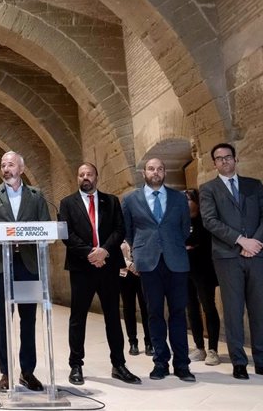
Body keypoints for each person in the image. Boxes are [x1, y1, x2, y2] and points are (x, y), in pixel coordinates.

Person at [199, 143, 263, 380]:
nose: (224, 161)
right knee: (233, 311)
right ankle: (239, 362)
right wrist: (241, 241)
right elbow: (210, 221)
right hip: (228, 257)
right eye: (219, 158)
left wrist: (255, 242)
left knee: (258, 309)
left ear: (235, 159)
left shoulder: (253, 185)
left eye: (228, 157)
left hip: (259, 255)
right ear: (213, 163)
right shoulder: (208, 189)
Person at [59, 162, 140, 385]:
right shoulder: (67, 203)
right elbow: (66, 234)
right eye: (81, 174)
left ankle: (119, 364)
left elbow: (120, 229)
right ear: (77, 178)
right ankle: (76, 365)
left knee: (113, 316)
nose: (85, 177)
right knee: (78, 318)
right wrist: (90, 253)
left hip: (108, 266)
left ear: (97, 177)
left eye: (89, 174)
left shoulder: (111, 201)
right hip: (81, 267)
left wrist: (104, 251)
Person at [0, 151, 51, 392]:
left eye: (10, 165)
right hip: (2, 265)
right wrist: (2, 231)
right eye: (2, 165)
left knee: (28, 319)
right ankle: (6, 372)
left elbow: (46, 226)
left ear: (21, 168)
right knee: (3, 320)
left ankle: (27, 372)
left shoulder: (36, 195)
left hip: (28, 264)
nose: (5, 169)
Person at [122, 158, 194, 382]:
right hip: (148, 263)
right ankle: (160, 363)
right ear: (144, 172)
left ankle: (182, 364)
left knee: (178, 313)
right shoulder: (130, 200)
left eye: (160, 169)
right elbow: (128, 231)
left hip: (176, 262)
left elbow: (184, 229)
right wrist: (142, 249)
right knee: (154, 313)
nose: (156, 172)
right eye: (151, 169)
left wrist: (169, 244)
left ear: (164, 173)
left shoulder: (178, 198)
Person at [183, 189, 220, 366]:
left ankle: (213, 349)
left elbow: (202, 242)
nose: (186, 203)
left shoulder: (205, 221)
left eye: (189, 199)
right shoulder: (180, 221)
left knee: (208, 307)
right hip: (185, 270)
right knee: (191, 309)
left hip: (203, 270)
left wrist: (190, 246)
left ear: (197, 201)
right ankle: (199, 347)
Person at [119, 241, 152, 357]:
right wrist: (131, 265)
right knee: (129, 309)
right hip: (125, 274)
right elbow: (116, 252)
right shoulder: (120, 232)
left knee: (146, 308)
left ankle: (149, 342)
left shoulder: (138, 230)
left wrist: (140, 264)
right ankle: (133, 342)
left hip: (143, 272)